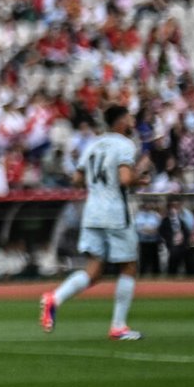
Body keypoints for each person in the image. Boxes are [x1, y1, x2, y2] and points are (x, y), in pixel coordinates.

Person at [40, 106, 148, 340]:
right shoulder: (124, 145)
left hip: (92, 213)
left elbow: (78, 180)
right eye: (129, 119)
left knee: (95, 270)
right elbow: (126, 178)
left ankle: (54, 299)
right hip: (115, 213)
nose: (131, 123)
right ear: (120, 122)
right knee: (129, 265)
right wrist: (140, 178)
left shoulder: (93, 144)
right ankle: (118, 325)